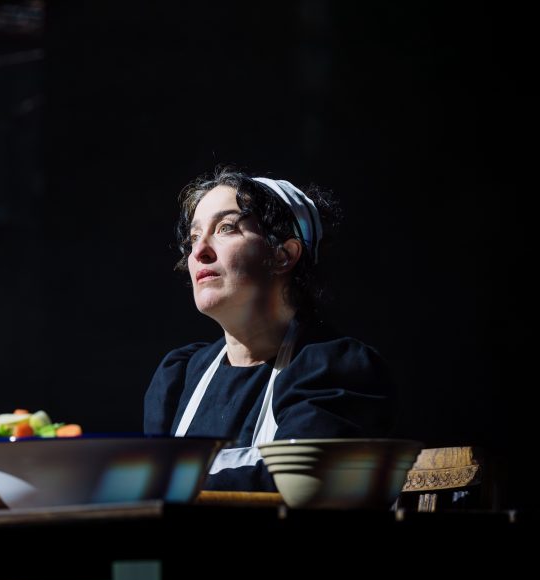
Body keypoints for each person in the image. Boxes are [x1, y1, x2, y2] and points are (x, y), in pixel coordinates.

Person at [143, 167, 398, 491]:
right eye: (194, 237)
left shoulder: (334, 371)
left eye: (225, 228)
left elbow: (292, 488)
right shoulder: (179, 380)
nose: (199, 251)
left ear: (284, 254)